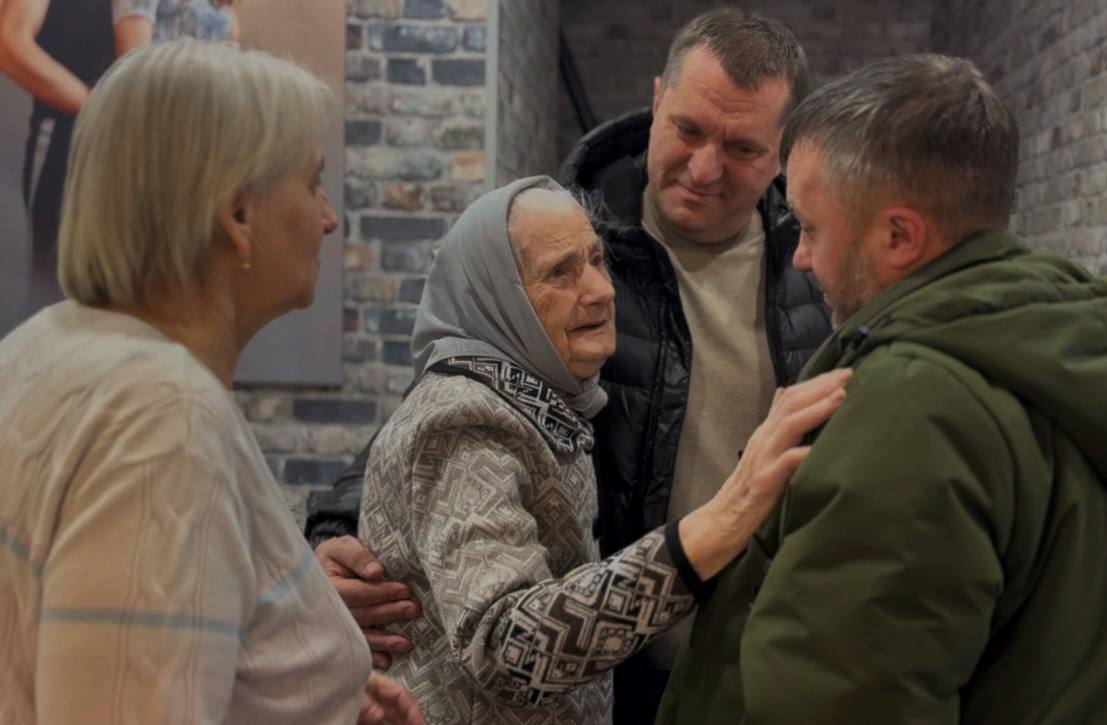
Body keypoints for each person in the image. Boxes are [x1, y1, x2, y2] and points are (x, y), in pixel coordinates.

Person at [305, 10, 831, 720]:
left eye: (741, 147)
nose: (705, 168)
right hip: (604, 669)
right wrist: (333, 537)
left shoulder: (816, 267)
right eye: (688, 130)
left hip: (757, 672)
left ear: (783, 149)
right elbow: (448, 409)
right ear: (656, 101)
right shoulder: (562, 235)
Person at [655, 53, 1107, 724]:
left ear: (899, 235)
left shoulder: (915, 402)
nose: (801, 256)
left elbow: (843, 700)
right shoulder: (1074, 350)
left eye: (810, 227)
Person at [0, 39, 421, 725]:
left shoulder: (46, 345)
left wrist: (306, 693)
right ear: (238, 215)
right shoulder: (162, 415)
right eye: (312, 183)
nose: (328, 217)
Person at [358, 175, 849, 724]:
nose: (601, 290)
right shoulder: (467, 419)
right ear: (497, 296)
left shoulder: (538, 396)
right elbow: (506, 646)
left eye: (597, 260)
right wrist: (717, 524)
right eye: (559, 272)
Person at [0, 0, 236, 309]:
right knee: (56, 294)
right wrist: (101, 106)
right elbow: (11, 42)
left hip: (150, 157)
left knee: (127, 300)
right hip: (71, 145)